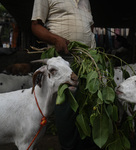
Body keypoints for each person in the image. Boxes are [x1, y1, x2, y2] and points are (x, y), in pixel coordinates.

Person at [31, 1, 96, 150]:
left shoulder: (85, 1)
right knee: (66, 107)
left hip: (88, 60)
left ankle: (86, 145)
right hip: (63, 60)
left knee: (88, 105)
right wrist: (56, 40)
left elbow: (91, 26)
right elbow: (35, 26)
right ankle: (69, 147)